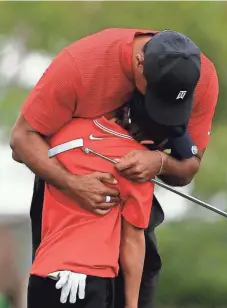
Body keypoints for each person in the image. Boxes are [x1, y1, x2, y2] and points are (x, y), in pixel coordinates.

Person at [10, 28, 218, 307]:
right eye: (158, 100)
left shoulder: (201, 78)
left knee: (141, 274)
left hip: (137, 184)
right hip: (60, 185)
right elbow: (21, 139)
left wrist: (159, 162)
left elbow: (189, 167)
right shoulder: (79, 66)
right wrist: (72, 183)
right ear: (139, 64)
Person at [27, 98, 191, 308]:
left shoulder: (63, 131)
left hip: (42, 275)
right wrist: (132, 304)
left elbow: (22, 149)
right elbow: (132, 242)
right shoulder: (138, 165)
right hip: (87, 279)